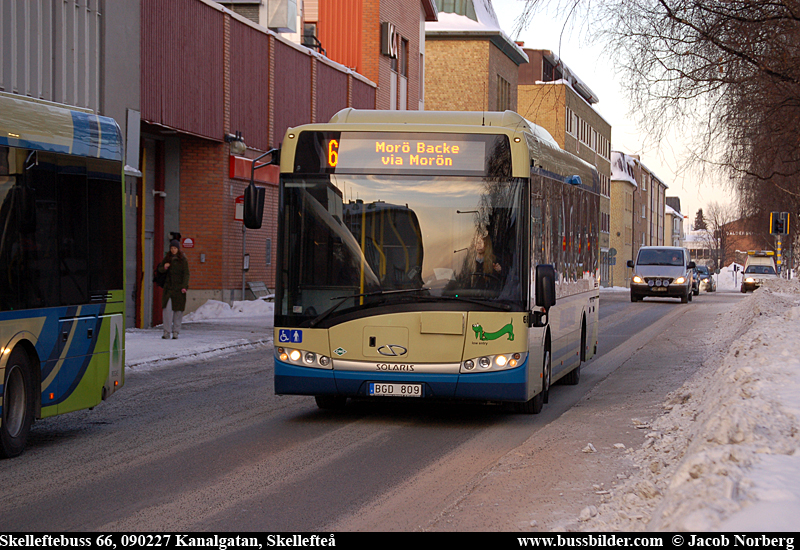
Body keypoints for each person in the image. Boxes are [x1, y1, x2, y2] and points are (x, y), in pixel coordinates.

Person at [157, 239, 190, 339]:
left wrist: (184, 286)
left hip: (179, 289)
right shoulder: (167, 258)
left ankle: (176, 331)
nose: (173, 250)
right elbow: (159, 270)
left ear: (178, 249)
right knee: (167, 310)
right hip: (169, 289)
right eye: (171, 248)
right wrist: (165, 267)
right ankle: (166, 331)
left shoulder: (183, 260)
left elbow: (186, 274)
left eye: (175, 248)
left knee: (178, 311)